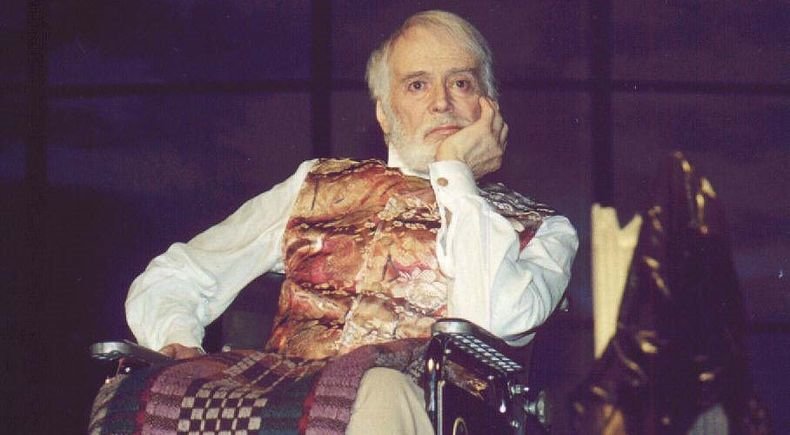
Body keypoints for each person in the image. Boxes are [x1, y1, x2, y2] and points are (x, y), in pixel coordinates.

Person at [111, 10, 577, 434]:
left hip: (426, 412)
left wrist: (456, 173)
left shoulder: (544, 229)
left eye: (460, 83)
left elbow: (489, 323)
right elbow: (177, 274)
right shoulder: (315, 185)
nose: (441, 103)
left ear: (488, 105)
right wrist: (177, 341)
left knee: (382, 389)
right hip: (290, 408)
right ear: (384, 114)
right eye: (417, 85)